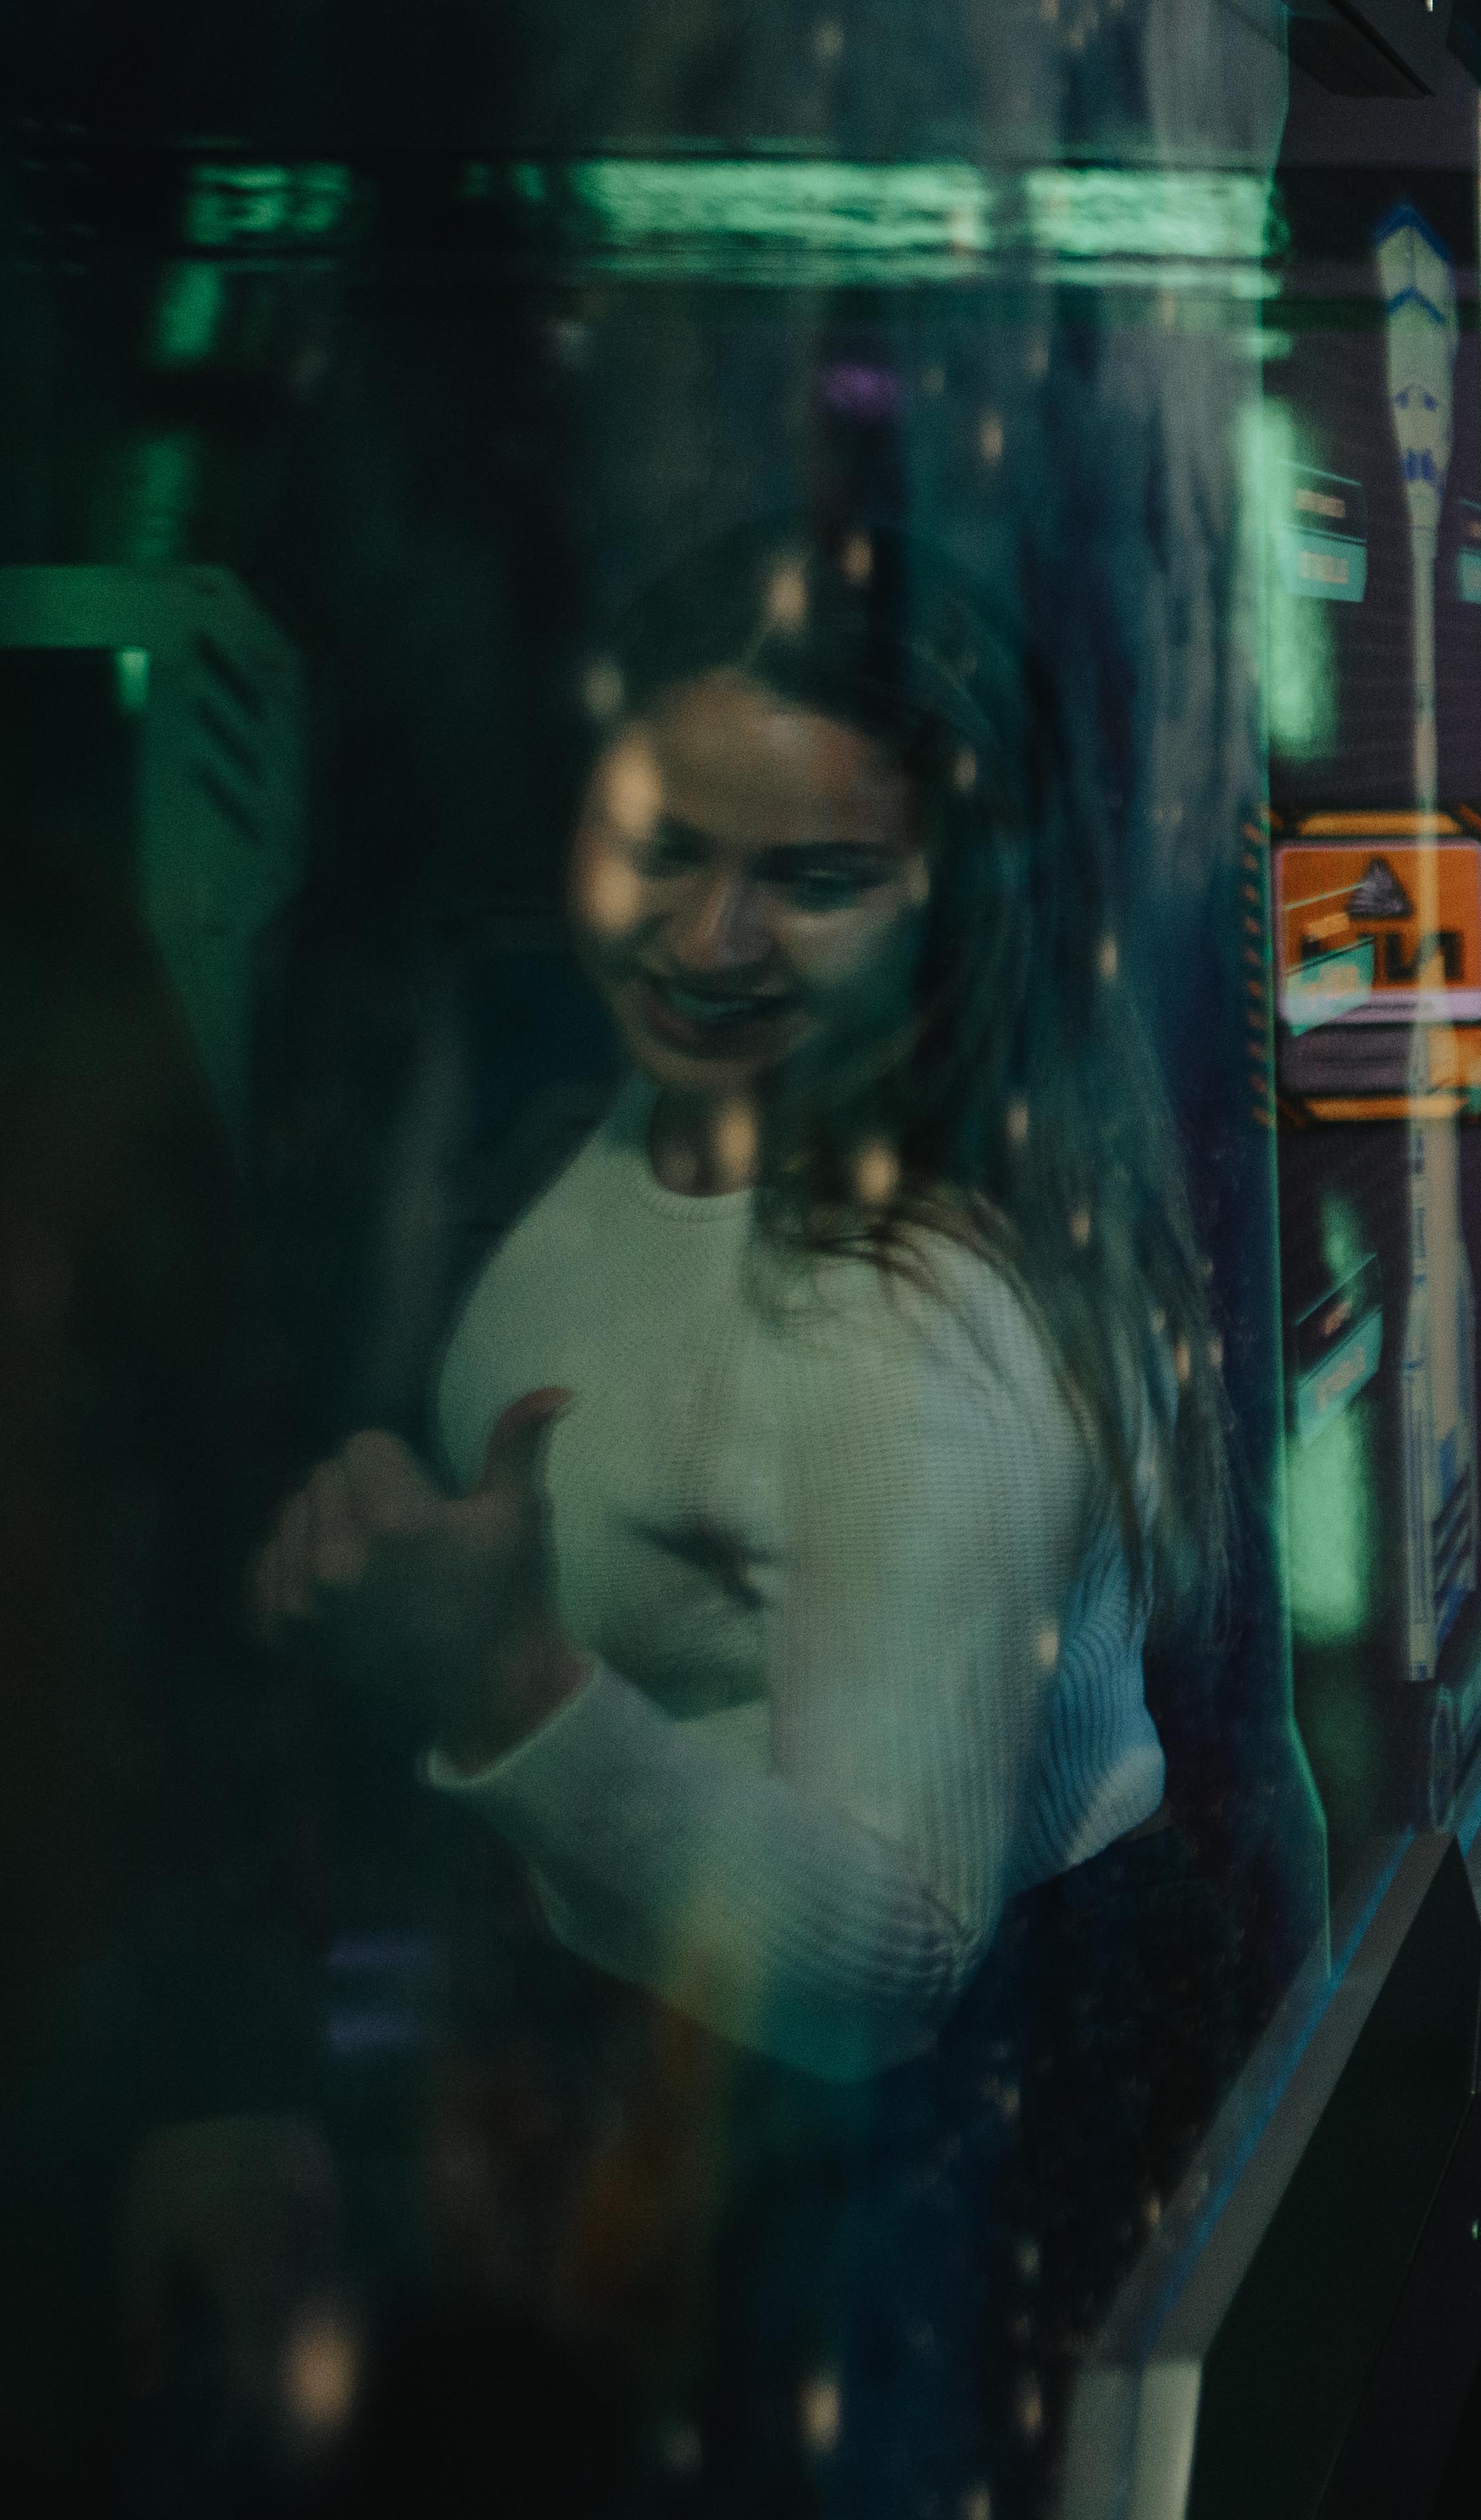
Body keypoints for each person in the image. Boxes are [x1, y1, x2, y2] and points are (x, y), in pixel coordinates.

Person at [245, 519, 1238, 2506]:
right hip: (699, 2154)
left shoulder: (899, 1316)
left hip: (884, 2206)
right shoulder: (676, 1122)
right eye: (666, 850)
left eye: (813, 881)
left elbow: (894, 1960)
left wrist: (508, 1680)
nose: (706, 941)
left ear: (952, 902)